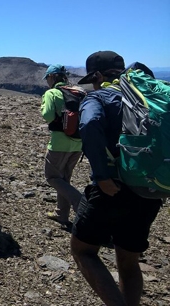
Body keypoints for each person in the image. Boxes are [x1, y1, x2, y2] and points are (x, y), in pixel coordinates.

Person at [71, 51, 163, 306]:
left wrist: (101, 175)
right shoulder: (147, 98)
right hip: (149, 188)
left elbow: (89, 125)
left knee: (83, 250)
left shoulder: (98, 97)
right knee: (128, 258)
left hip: (112, 188)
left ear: (98, 75)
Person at [40, 64, 83, 228]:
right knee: (64, 179)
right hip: (79, 143)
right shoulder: (78, 92)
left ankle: (80, 203)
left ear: (51, 77)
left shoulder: (52, 93)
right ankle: (61, 214)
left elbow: (48, 116)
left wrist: (44, 105)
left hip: (59, 143)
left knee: (52, 177)